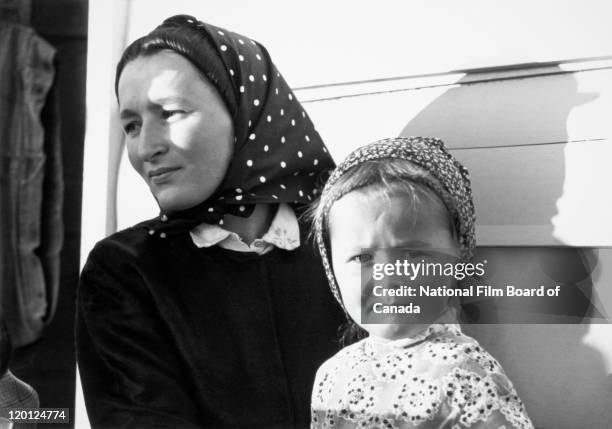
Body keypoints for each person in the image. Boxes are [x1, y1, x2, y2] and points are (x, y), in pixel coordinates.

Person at [76, 15, 343, 428]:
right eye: (132, 125)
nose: (146, 147)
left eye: (170, 112)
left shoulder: (347, 243)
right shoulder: (125, 273)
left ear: (243, 111)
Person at [309, 137, 534, 428]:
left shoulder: (465, 374)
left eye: (413, 255)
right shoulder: (332, 374)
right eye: (363, 258)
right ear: (331, 267)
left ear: (459, 256)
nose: (387, 278)